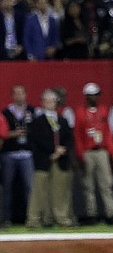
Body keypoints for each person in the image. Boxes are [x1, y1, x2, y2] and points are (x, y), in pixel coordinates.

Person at [26, 88, 74, 228]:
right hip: (43, 159)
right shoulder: (38, 121)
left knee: (60, 191)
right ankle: (34, 219)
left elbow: (69, 138)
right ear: (42, 102)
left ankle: (61, 217)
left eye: (53, 100)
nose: (50, 103)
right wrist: (53, 150)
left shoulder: (63, 120)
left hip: (60, 160)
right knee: (39, 191)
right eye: (47, 100)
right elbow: (38, 140)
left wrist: (62, 151)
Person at [75, 82, 113, 225]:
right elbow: (78, 135)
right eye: (92, 95)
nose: (95, 98)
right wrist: (81, 155)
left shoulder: (103, 111)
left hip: (102, 151)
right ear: (86, 96)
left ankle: (111, 213)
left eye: (96, 95)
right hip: (88, 151)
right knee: (88, 185)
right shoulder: (80, 112)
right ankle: (91, 214)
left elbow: (107, 134)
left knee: (106, 183)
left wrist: (112, 153)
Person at [1, 84, 34, 228]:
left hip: (27, 153)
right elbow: (2, 133)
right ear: (12, 96)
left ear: (25, 95)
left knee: (29, 187)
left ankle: (31, 218)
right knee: (7, 188)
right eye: (16, 93)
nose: (19, 96)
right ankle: (6, 219)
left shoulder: (32, 111)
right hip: (10, 154)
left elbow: (38, 131)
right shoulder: (5, 112)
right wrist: (14, 134)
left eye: (21, 93)